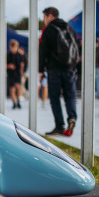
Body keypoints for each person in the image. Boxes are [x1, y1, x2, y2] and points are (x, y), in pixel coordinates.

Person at [39, 7, 79, 136]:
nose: (43, 20)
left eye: (44, 17)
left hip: (54, 69)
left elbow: (43, 51)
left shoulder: (48, 30)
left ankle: (59, 125)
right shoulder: (70, 28)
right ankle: (72, 117)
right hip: (70, 69)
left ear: (50, 16)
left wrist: (41, 70)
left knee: (55, 98)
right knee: (70, 96)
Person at [7, 40, 24, 109]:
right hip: (11, 74)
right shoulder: (8, 55)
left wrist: (22, 72)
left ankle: (18, 101)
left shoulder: (20, 55)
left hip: (17, 73)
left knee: (18, 87)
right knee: (12, 89)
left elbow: (23, 64)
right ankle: (14, 102)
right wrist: (9, 66)